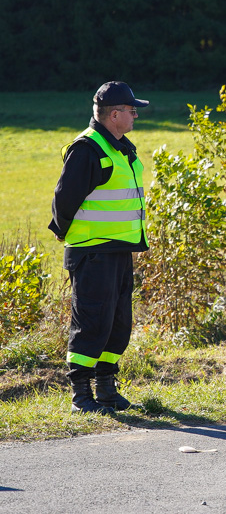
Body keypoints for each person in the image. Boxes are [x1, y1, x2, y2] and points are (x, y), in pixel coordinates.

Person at [48, 81, 150, 414]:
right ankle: (81, 395)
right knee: (91, 322)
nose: (136, 116)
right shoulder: (87, 149)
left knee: (118, 323)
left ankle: (106, 388)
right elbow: (64, 200)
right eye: (132, 111)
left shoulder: (121, 146)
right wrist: (63, 233)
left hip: (118, 250)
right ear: (114, 114)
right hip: (92, 252)